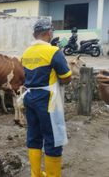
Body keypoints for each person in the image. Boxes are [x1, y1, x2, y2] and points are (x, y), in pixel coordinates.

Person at [21, 19, 72, 177]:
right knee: (53, 138)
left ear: (34, 34)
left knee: (34, 135)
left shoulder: (26, 52)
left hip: (29, 98)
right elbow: (66, 77)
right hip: (47, 100)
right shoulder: (53, 51)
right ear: (49, 33)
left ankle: (35, 174)